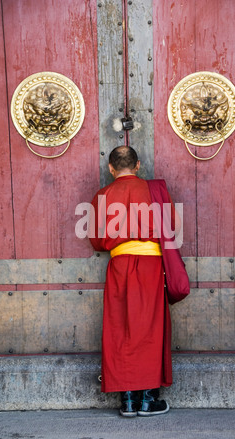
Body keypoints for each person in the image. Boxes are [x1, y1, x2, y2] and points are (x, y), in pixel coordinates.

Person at [89, 146, 173, 417]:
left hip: (119, 265)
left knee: (120, 328)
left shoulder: (102, 196)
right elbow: (171, 228)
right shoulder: (155, 191)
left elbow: (97, 242)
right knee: (150, 328)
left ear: (111, 169)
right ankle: (148, 398)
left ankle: (127, 400)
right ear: (138, 166)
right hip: (151, 265)